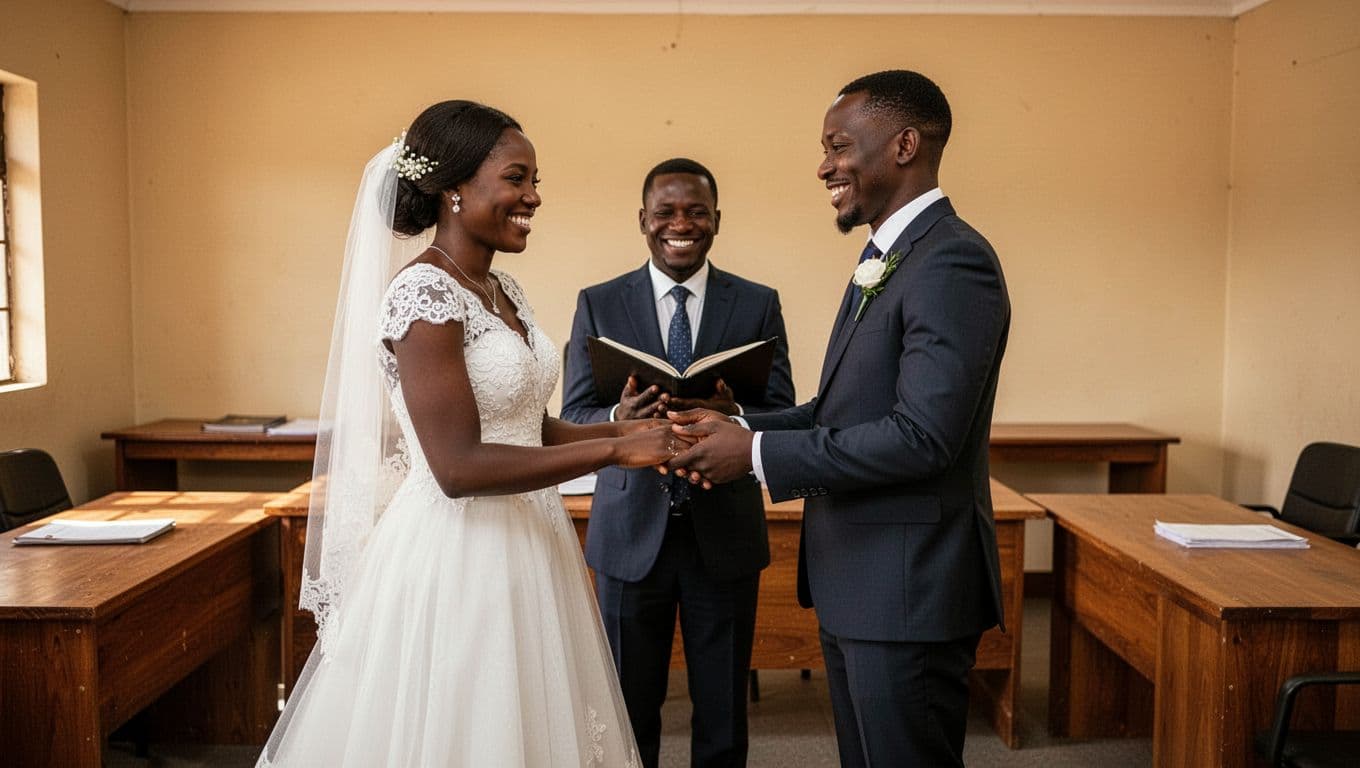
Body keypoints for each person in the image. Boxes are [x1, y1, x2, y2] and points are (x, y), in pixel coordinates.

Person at [258, 100, 680, 766]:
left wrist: (606, 428)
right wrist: (615, 450)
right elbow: (456, 467)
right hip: (461, 554)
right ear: (454, 188)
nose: (533, 197)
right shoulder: (424, 295)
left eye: (534, 180)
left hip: (530, 543)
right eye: (516, 178)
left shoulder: (500, 287)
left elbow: (526, 427)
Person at [664, 71, 1011, 767]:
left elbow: (924, 438)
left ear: (904, 144)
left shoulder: (951, 260)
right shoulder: (887, 256)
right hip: (863, 583)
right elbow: (841, 409)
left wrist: (755, 457)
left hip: (907, 590)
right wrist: (743, 421)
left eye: (838, 145)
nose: (824, 165)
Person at [560, 158, 795, 768]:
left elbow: (785, 411)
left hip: (725, 536)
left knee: (722, 715)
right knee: (627, 710)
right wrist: (621, 412)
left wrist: (735, 411)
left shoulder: (758, 303)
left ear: (717, 219)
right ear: (643, 220)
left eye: (696, 211)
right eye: (666, 212)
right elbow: (575, 415)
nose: (681, 224)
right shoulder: (599, 303)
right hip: (630, 533)